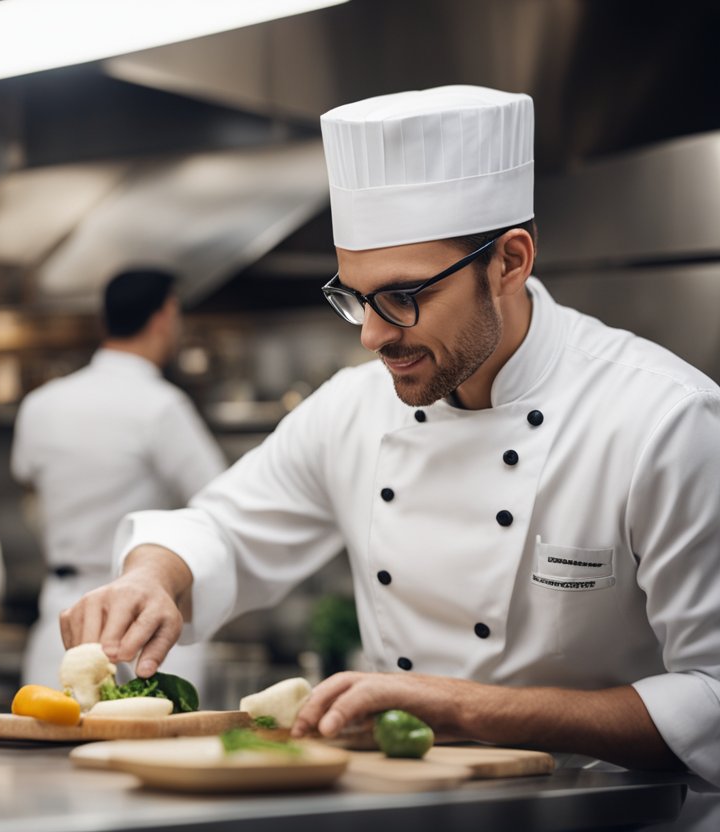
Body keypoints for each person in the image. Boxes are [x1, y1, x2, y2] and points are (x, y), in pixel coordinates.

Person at [61, 87, 720, 793]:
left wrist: (467, 707)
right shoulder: (355, 407)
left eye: (404, 296)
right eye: (354, 297)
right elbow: (224, 525)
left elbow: (712, 697)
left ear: (510, 262)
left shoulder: (663, 420)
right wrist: (150, 576)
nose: (373, 336)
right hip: (395, 803)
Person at [12, 268, 226, 688]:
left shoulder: (40, 405)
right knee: (160, 748)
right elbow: (219, 501)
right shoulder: (162, 406)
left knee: (49, 743)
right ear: (166, 314)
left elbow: (29, 485)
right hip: (149, 613)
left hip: (66, 611)